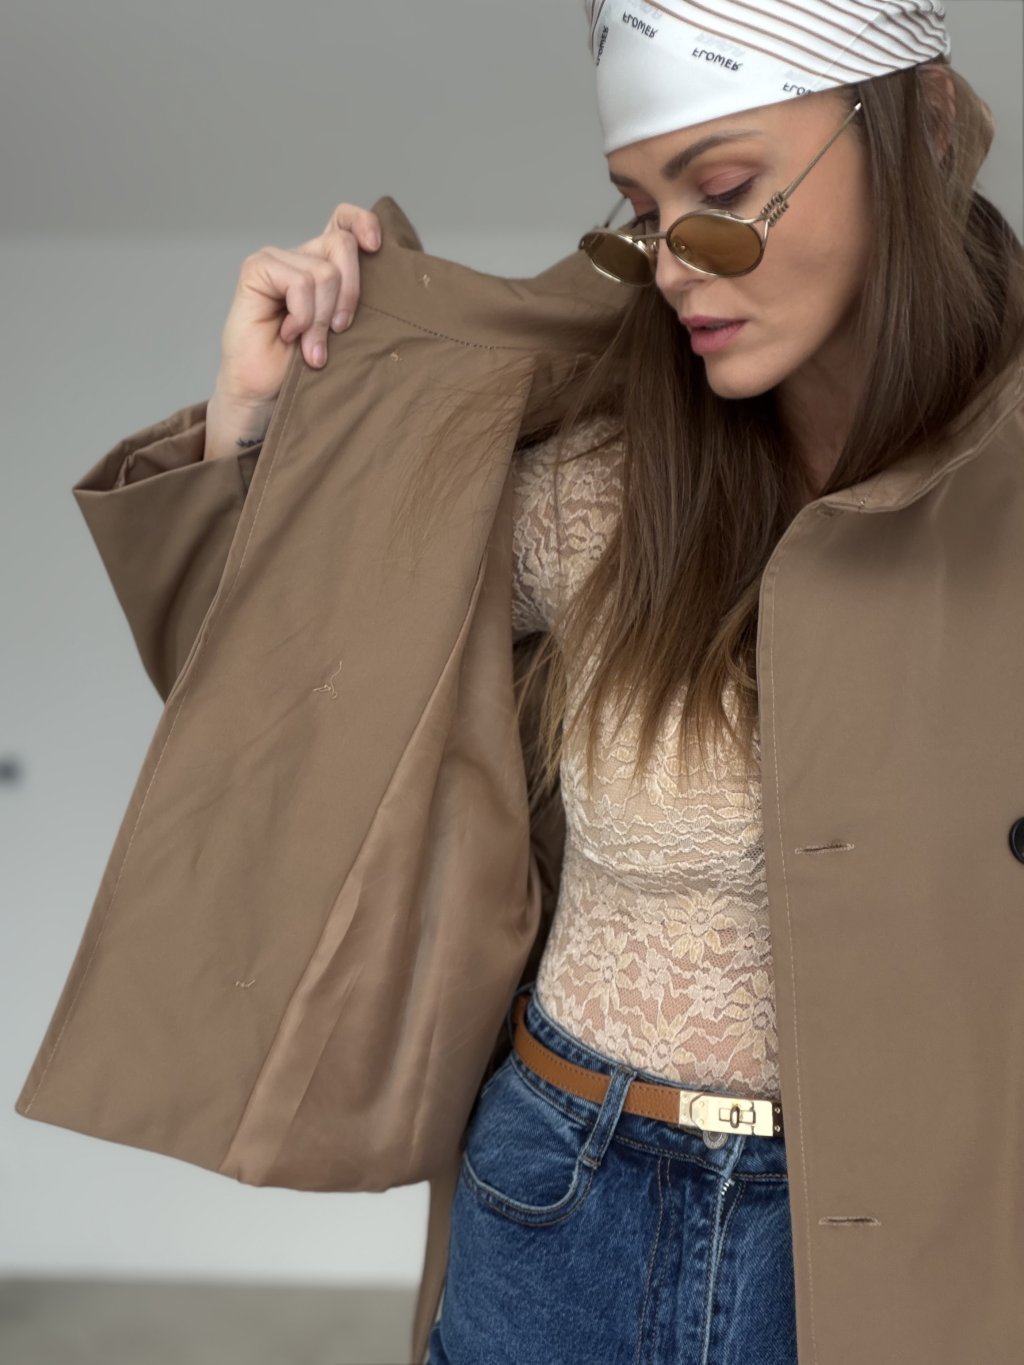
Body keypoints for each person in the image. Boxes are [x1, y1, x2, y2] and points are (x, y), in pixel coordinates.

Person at [14, 3, 1024, 1363]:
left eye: (727, 194)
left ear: (926, 125)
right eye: (642, 217)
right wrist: (254, 427)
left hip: (909, 1252)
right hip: (562, 1206)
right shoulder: (601, 493)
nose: (676, 269)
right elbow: (289, 706)